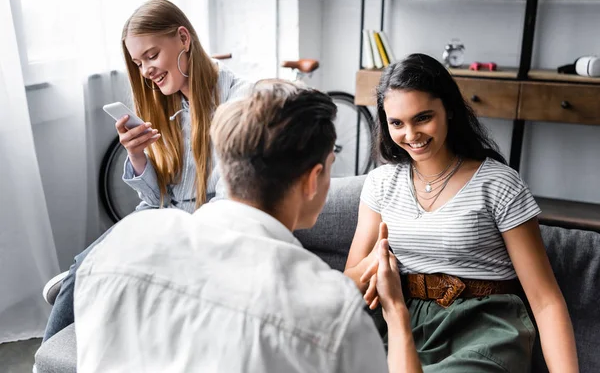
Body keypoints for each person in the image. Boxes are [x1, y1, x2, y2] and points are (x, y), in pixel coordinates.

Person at [73, 80, 422, 373]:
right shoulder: (335, 316)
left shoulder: (119, 246)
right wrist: (397, 316)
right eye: (331, 165)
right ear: (313, 180)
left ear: (224, 169)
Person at [344, 53, 579, 372]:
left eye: (423, 117)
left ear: (449, 110)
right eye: (397, 123)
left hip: (483, 330)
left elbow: (545, 299)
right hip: (399, 321)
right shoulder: (381, 183)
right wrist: (377, 265)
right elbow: (350, 282)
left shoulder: (498, 183)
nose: (411, 135)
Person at [42, 0, 250, 341]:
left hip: (200, 228)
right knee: (84, 266)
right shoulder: (163, 102)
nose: (146, 71)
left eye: (151, 56)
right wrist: (137, 156)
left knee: (102, 274)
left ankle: (89, 281)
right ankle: (49, 355)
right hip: (160, 216)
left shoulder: (239, 100)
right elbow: (155, 200)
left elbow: (231, 204)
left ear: (184, 38)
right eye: (138, 63)